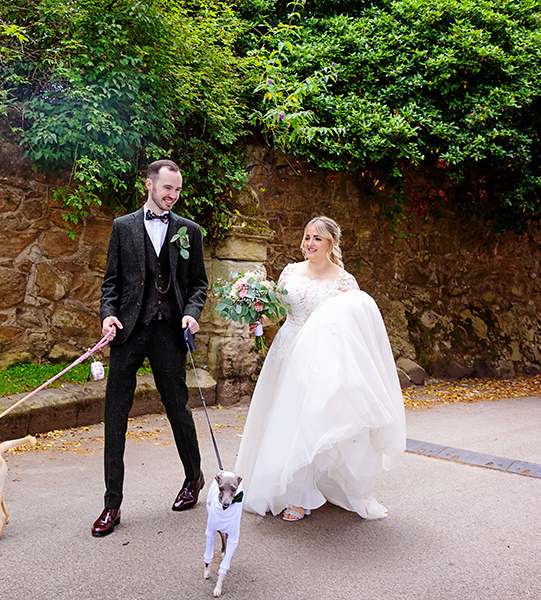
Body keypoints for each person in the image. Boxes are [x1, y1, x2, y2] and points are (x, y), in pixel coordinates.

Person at [234, 216, 406, 522]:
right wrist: (258, 319)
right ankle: (283, 484)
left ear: (332, 243)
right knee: (285, 419)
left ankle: (299, 497)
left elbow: (353, 328)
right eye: (307, 237)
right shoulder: (290, 272)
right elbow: (280, 312)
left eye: (317, 238)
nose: (309, 243)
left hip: (321, 359)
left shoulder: (344, 282)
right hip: (287, 352)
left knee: (310, 421)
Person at [93, 159, 209, 537]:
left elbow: (198, 285)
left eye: (177, 189)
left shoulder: (189, 231)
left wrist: (191, 313)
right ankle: (112, 504)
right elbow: (111, 282)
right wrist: (108, 316)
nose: (172, 195)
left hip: (169, 332)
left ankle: (193, 477)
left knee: (178, 408)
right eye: (167, 188)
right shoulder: (123, 227)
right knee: (115, 416)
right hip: (128, 331)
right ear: (149, 184)